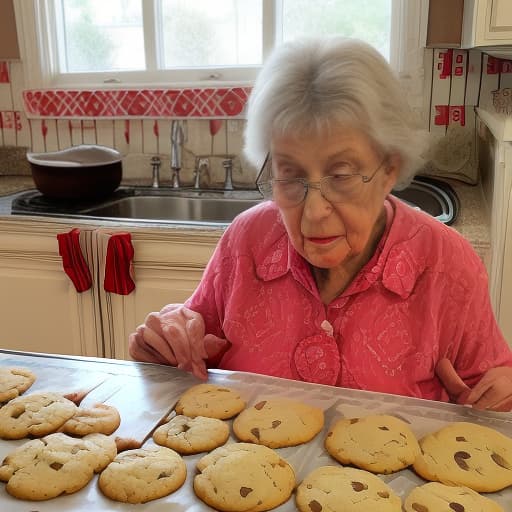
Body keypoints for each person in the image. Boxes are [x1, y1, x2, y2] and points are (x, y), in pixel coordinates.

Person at [129, 37, 512, 411]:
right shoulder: (247, 239)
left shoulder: (447, 264)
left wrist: (504, 395)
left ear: (389, 169)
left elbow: (494, 387)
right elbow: (193, 341)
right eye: (290, 176)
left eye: (341, 176)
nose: (313, 212)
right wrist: (165, 347)